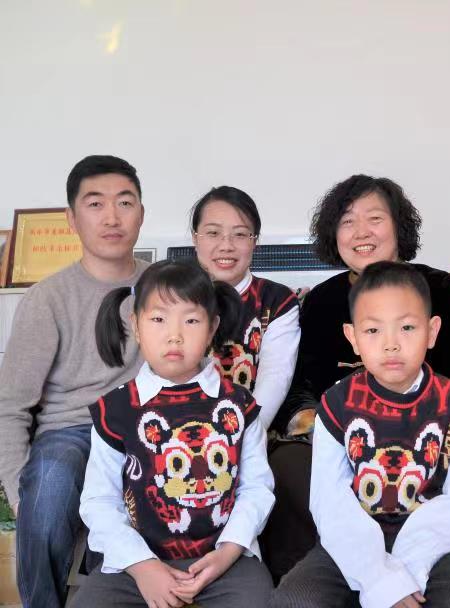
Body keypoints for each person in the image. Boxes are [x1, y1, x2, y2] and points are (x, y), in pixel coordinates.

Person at [270, 175, 450, 579]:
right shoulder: (322, 300)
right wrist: (337, 430)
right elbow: (300, 389)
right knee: (287, 464)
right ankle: (326, 569)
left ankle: (415, 562)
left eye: (374, 218)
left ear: (398, 226)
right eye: (347, 221)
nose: (361, 232)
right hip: (341, 438)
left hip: (427, 433)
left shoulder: (438, 287)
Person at [274, 261, 450, 608]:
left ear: (432, 331)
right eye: (373, 330)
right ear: (353, 338)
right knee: (295, 600)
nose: (391, 344)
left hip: (438, 546)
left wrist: (406, 570)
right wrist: (379, 578)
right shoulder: (336, 404)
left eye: (407, 327)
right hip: (350, 544)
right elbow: (330, 502)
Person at [72, 259, 275, 607]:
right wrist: (143, 567)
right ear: (136, 326)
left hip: (223, 562)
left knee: (261, 600)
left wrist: (227, 553)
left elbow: (256, 488)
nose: (174, 335)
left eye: (191, 320)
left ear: (212, 328)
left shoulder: (239, 405)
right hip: (135, 564)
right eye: (158, 319)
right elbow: (99, 501)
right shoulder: (115, 410)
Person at [0, 155, 147, 607]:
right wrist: (21, 494)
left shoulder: (163, 289)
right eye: (95, 204)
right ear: (71, 218)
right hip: (71, 431)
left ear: (141, 213)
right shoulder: (47, 299)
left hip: (145, 427)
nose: (112, 217)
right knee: (50, 485)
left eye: (125, 202)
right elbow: (10, 406)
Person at [190, 185, 300, 429]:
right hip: (180, 429)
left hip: (254, 430)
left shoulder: (277, 301)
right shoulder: (173, 296)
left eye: (240, 234)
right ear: (195, 238)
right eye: (213, 233)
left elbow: (275, 378)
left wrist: (247, 437)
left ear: (255, 241)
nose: (226, 245)